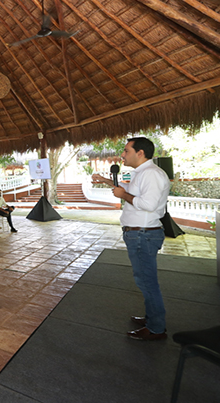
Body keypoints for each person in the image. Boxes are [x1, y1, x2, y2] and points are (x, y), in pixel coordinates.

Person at [92, 136, 170, 341]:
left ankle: (156, 328)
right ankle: (151, 317)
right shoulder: (143, 173)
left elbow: (148, 204)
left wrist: (123, 196)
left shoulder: (151, 174)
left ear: (140, 153)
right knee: (145, 279)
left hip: (143, 234)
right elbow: (129, 192)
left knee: (147, 282)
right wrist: (107, 181)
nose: (123, 155)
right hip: (139, 233)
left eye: (126, 151)